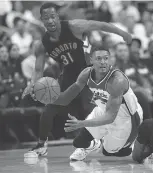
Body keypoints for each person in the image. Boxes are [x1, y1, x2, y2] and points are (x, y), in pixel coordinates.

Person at [22, 2, 132, 157]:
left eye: (53, 16)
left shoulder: (74, 26)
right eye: (46, 18)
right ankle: (41, 145)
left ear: (58, 16)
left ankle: (120, 141)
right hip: (68, 75)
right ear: (42, 20)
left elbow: (100, 25)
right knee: (49, 109)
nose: (51, 21)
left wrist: (123, 33)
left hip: (90, 71)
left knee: (99, 110)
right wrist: (32, 85)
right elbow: (38, 69)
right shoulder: (41, 44)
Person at [53, 46, 143, 161]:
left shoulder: (117, 81)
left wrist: (80, 123)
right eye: (98, 59)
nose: (103, 62)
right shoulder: (86, 74)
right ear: (91, 60)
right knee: (79, 142)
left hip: (127, 118)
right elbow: (66, 97)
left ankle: (136, 144)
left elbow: (110, 117)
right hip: (103, 109)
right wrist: (46, 98)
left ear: (110, 59)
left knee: (113, 152)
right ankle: (94, 145)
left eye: (106, 58)